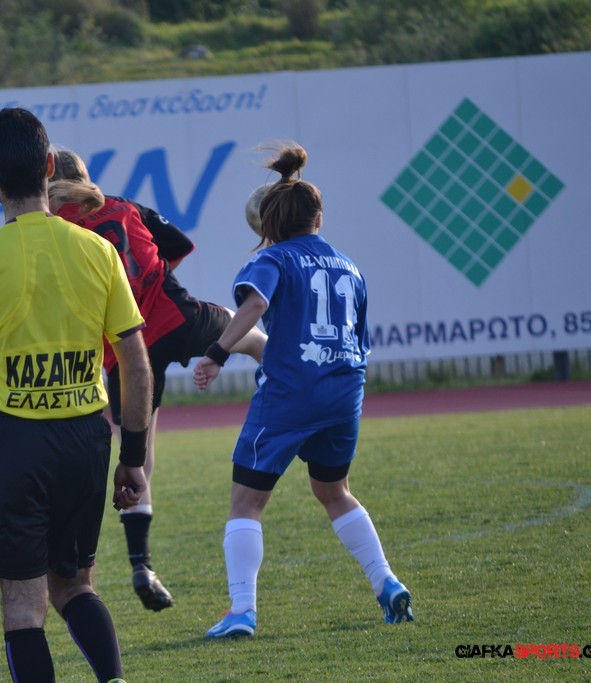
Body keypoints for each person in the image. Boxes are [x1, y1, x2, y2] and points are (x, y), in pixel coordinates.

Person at [0, 107, 154, 683]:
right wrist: (132, 456)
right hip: (85, 439)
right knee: (75, 585)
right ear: (50, 167)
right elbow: (135, 361)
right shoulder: (97, 251)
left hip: (13, 447)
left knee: (23, 605)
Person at [193, 142, 413, 638]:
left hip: (291, 393)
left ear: (268, 224)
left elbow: (254, 306)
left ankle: (242, 611)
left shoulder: (272, 259)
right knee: (334, 490)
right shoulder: (350, 266)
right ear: (319, 218)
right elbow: (360, 338)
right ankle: (387, 582)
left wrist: (217, 353)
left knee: (246, 502)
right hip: (344, 391)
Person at [47, 148, 267, 612]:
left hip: (123, 351)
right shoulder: (125, 206)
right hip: (173, 318)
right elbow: (179, 247)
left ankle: (142, 565)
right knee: (249, 337)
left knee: (139, 458)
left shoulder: (54, 228)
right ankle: (295, 388)